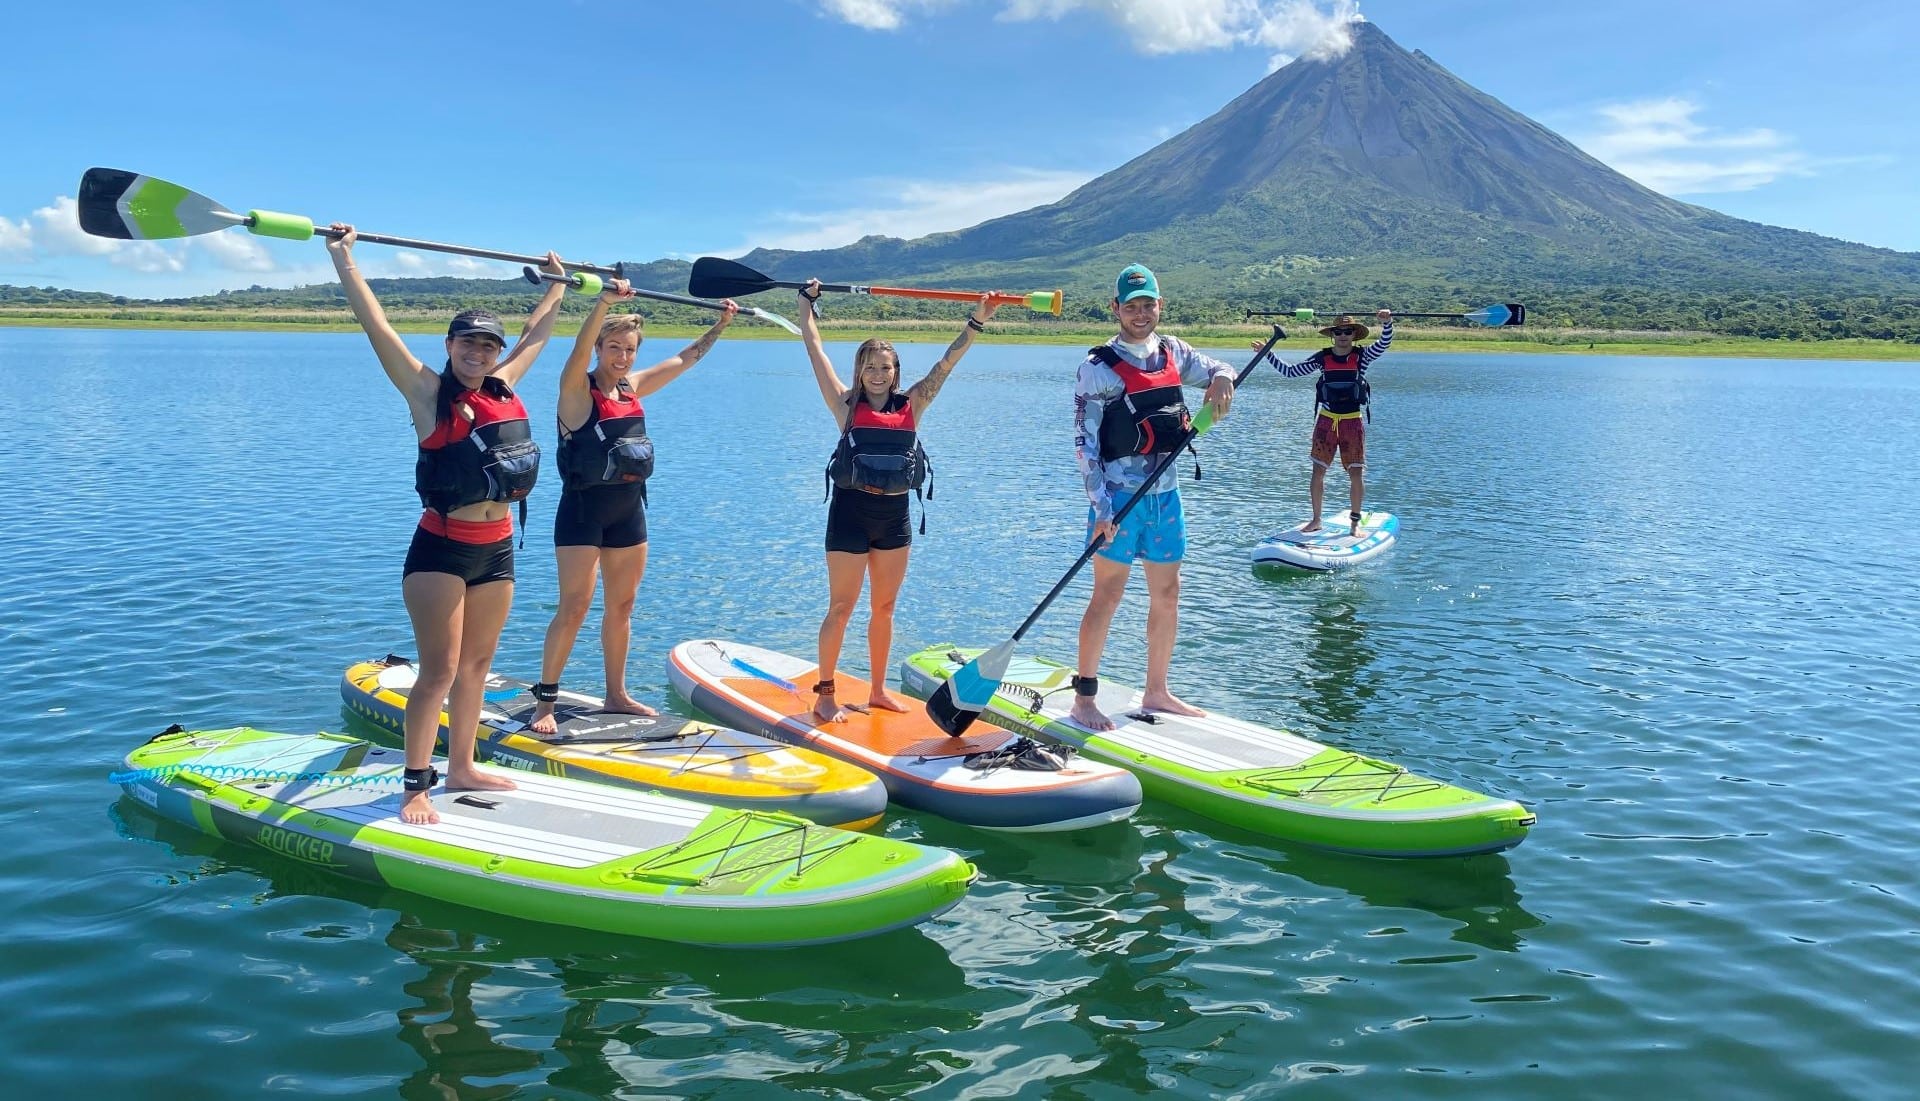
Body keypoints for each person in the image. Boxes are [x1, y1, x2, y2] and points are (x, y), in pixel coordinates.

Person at [326, 225, 568, 824]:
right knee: (437, 670)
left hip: (498, 550)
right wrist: (344, 259)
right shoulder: (426, 393)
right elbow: (376, 327)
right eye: (469, 343)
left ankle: (461, 765)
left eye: (489, 345)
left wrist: (559, 286)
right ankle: (415, 783)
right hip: (441, 549)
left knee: (478, 667)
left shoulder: (504, 386)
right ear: (450, 342)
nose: (479, 353)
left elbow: (539, 333)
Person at [526, 279, 739, 735]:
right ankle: (545, 701)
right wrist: (603, 305)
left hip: (628, 512)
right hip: (582, 513)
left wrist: (720, 324)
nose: (622, 357)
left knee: (621, 607)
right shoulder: (577, 393)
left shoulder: (633, 388)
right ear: (600, 348)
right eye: (614, 347)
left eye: (629, 349)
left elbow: (685, 359)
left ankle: (616, 693)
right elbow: (575, 357)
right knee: (575, 606)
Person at [798, 278, 998, 723]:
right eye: (870, 366)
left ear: (896, 371)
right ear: (859, 370)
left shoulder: (915, 402)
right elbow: (814, 348)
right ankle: (826, 692)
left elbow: (948, 363)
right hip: (849, 515)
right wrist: (805, 305)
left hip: (894, 519)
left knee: (884, 608)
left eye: (885, 367)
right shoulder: (844, 404)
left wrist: (977, 322)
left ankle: (876, 690)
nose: (878, 374)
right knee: (842, 607)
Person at [1070, 264, 1236, 732]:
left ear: (1160, 306)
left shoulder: (1173, 352)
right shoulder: (1097, 369)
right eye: (1132, 306)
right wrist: (1102, 508)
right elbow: (1084, 443)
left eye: (1149, 305)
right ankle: (1085, 698)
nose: (1140, 314)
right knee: (1107, 594)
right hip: (1118, 501)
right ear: (1116, 309)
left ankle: (1157, 690)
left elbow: (1217, 369)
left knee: (1168, 592)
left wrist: (1223, 375)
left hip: (1166, 497)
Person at [1258, 309, 1393, 533]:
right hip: (1326, 421)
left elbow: (1384, 343)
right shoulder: (1322, 358)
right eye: (1338, 331)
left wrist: (1387, 323)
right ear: (1332, 335)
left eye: (1347, 331)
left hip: (1352, 422)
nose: (1343, 335)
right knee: (1318, 471)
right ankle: (1316, 519)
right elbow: (1291, 372)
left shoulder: (1363, 357)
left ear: (1354, 335)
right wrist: (1268, 354)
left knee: (1356, 473)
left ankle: (1355, 524)